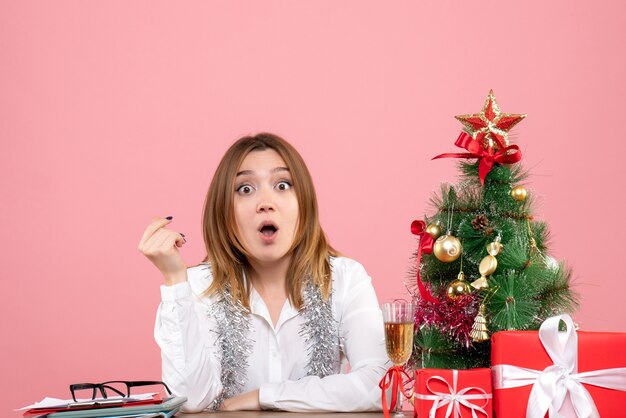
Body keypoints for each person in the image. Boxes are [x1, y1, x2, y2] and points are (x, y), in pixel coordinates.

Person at [138, 133, 388, 412]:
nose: (265, 202)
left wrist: (266, 396)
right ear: (224, 212)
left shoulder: (345, 278)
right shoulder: (196, 286)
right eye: (245, 189)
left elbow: (383, 386)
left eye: (282, 185)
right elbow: (190, 401)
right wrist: (175, 281)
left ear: (304, 203)